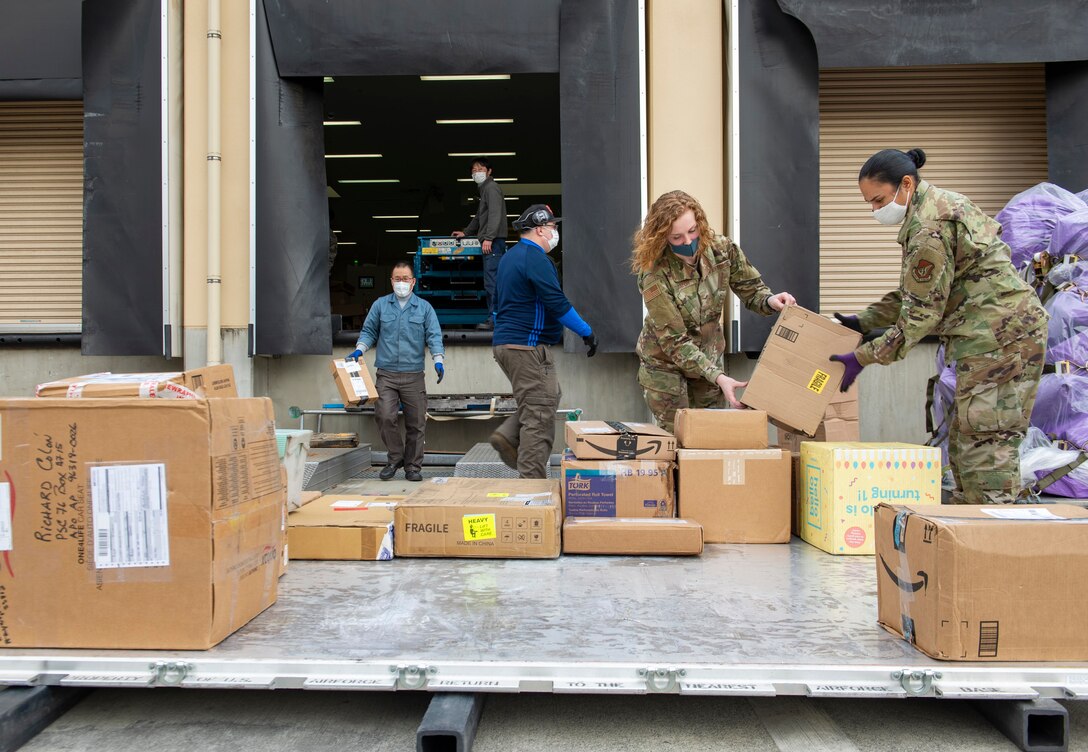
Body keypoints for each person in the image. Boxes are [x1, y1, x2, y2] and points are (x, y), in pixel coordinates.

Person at [830, 148, 1048, 505]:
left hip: (1001, 339)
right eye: (868, 203)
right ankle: (972, 528)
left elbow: (921, 316)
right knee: (966, 433)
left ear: (906, 184)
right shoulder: (938, 206)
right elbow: (919, 291)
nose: (874, 210)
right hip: (989, 337)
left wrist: (862, 357)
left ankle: (997, 533)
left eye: (878, 200)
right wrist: (865, 319)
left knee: (986, 441)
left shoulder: (929, 230)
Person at [632, 190, 796, 433]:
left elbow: (751, 289)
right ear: (661, 236)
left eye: (692, 231)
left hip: (708, 355)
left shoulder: (721, 249)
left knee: (709, 433)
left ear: (699, 222)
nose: (687, 242)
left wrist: (771, 301)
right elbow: (675, 342)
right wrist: (719, 376)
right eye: (676, 237)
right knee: (677, 437)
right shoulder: (654, 273)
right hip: (665, 365)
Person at [490, 204, 598, 478]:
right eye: (553, 227)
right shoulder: (535, 258)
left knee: (545, 399)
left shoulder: (508, 258)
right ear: (540, 229)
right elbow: (556, 303)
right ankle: (532, 491)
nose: (555, 231)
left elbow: (495, 303)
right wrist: (586, 331)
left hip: (505, 344)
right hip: (527, 347)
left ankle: (507, 434)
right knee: (539, 419)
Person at [346, 261, 445, 482]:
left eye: (405, 279)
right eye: (397, 279)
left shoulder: (424, 308)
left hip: (413, 375)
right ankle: (395, 458)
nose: (401, 283)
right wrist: (359, 350)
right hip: (386, 375)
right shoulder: (380, 305)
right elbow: (369, 331)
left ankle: (412, 467)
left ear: (413, 282)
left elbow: (434, 335)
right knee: (384, 415)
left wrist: (438, 360)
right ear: (391, 281)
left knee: (416, 423)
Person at [452, 156, 506, 331]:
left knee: (492, 281)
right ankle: (494, 317)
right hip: (491, 241)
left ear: (489, 172)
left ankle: (495, 319)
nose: (477, 173)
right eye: (474, 170)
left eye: (480, 169)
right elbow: (479, 217)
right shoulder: (485, 190)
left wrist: (489, 237)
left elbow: (495, 214)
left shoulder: (491, 188)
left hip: (494, 242)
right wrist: (466, 232)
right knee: (490, 280)